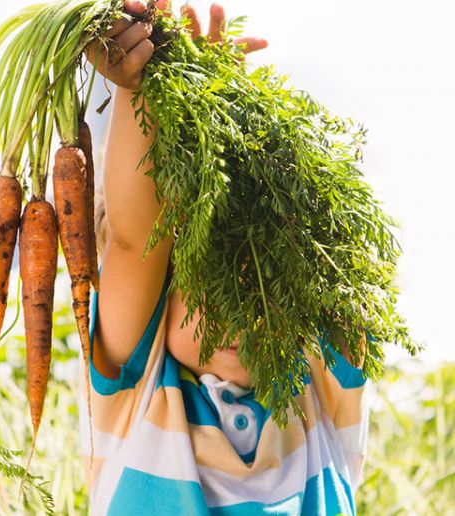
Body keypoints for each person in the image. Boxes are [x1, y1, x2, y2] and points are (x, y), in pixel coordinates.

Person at [82, 1, 370, 514]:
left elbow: (331, 246)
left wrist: (225, 110)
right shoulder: (139, 400)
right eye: (209, 291)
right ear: (159, 302)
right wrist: (142, 92)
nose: (238, 317)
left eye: (261, 289)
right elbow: (134, 240)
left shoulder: (319, 401)